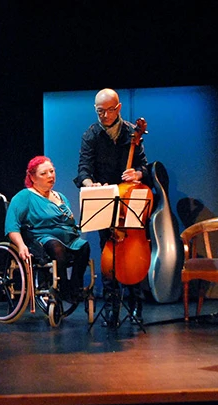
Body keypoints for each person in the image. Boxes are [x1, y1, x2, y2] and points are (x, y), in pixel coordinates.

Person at [73, 88, 149, 321]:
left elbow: (145, 168)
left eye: (108, 110)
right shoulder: (91, 135)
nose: (104, 115)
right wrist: (89, 184)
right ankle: (111, 307)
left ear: (118, 108)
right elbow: (84, 168)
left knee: (133, 254)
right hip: (106, 197)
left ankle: (137, 302)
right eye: (99, 111)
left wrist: (137, 174)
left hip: (130, 201)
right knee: (109, 252)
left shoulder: (131, 133)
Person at [6, 156, 90, 303]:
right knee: (56, 247)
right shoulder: (25, 196)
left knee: (84, 247)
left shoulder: (61, 197)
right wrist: (21, 245)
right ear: (32, 177)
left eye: (51, 171)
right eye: (44, 173)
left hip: (69, 239)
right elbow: (12, 225)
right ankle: (63, 288)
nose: (50, 176)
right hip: (42, 239)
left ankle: (75, 286)